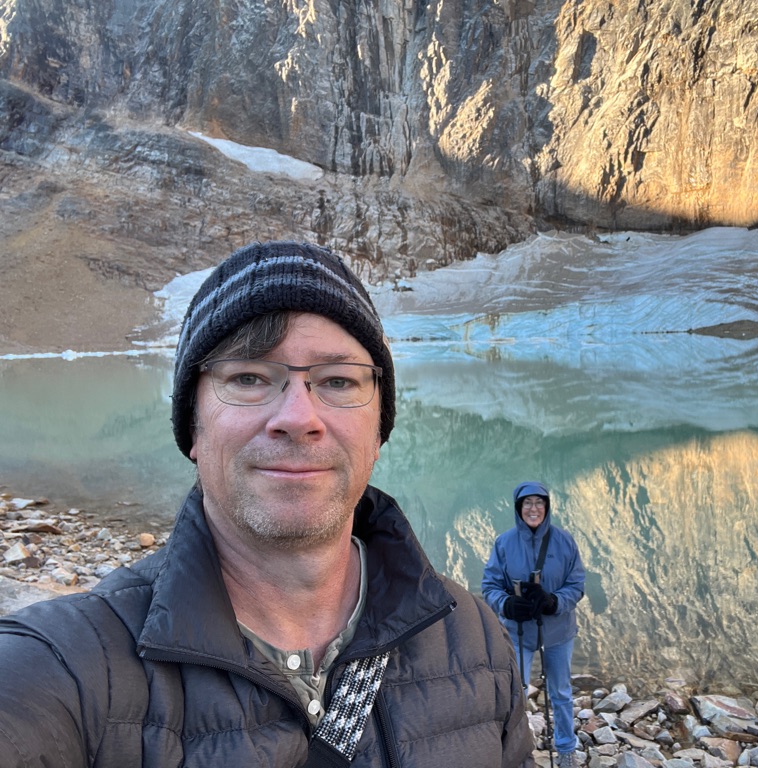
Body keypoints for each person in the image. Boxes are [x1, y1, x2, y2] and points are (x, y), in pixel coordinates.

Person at [0, 241, 535, 768]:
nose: (298, 418)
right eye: (249, 378)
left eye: (338, 380)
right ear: (193, 425)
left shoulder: (474, 638)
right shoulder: (70, 665)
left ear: (378, 431)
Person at [482, 482, 586, 768]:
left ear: (547, 507)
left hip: (558, 632)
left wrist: (554, 601)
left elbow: (576, 584)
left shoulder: (564, 542)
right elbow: (490, 585)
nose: (533, 509)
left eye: (539, 502)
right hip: (518, 633)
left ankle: (566, 749)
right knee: (516, 692)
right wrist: (506, 604)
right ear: (518, 508)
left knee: (561, 692)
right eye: (527, 503)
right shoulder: (504, 543)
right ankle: (515, 750)